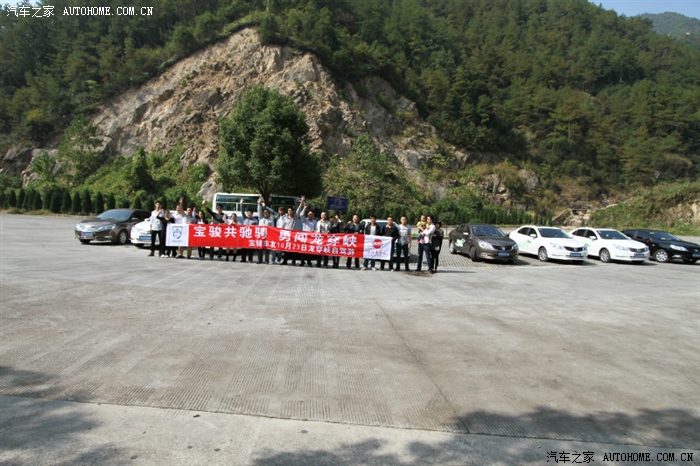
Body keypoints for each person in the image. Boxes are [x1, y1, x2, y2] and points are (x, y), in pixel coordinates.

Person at [281, 196, 306, 266]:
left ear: (293, 211)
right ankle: (285, 261)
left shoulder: (295, 217)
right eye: (288, 211)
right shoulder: (285, 218)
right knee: (286, 249)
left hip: (293, 235)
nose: (289, 212)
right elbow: (282, 227)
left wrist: (302, 201)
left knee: (294, 249)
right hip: (286, 235)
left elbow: (298, 209)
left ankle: (293, 261)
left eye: (291, 210)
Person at [239, 198, 259, 263]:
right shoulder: (245, 218)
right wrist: (241, 204)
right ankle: (243, 259)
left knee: (250, 248)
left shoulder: (255, 220)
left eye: (250, 213)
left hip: (251, 236)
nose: (249, 214)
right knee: (243, 248)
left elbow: (257, 228)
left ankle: (250, 259)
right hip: (244, 236)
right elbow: (242, 212)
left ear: (252, 214)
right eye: (248, 213)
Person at [257, 198, 275, 264]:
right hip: (260, 235)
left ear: (268, 213)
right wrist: (259, 204)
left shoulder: (271, 220)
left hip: (267, 236)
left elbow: (272, 228)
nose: (265, 213)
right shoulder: (261, 219)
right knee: (260, 248)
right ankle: (260, 260)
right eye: (264, 212)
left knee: (267, 248)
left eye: (267, 213)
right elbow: (259, 211)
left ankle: (266, 260)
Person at [300, 201, 317, 267]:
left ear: (313, 215)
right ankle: (302, 262)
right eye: (309, 214)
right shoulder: (304, 220)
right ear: (307, 214)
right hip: (304, 237)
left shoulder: (315, 222)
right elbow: (301, 215)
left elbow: (316, 229)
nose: (310, 215)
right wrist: (304, 208)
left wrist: (314, 230)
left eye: (311, 214)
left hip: (311, 237)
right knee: (303, 250)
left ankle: (309, 262)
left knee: (310, 250)